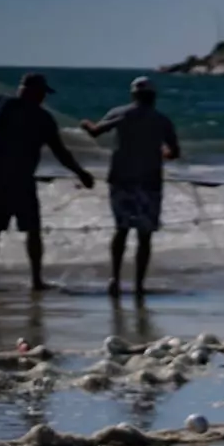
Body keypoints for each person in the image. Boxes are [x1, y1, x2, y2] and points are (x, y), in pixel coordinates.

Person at [0, 68, 95, 293]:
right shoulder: (42, 118)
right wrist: (80, 173)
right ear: (34, 92)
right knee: (32, 231)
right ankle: (36, 281)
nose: (44, 97)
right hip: (20, 182)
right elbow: (61, 152)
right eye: (42, 92)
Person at [80, 77, 181, 299]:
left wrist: (85, 124)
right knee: (144, 235)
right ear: (153, 97)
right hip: (150, 182)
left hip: (121, 179)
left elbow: (96, 131)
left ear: (133, 95)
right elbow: (174, 151)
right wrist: (162, 153)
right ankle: (138, 285)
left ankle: (115, 279)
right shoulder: (161, 120)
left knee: (121, 230)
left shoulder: (121, 113)